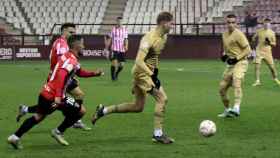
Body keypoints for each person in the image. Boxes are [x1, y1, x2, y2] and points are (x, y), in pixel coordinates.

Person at [7, 35, 104, 149]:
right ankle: (58, 131)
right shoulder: (71, 60)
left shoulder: (69, 57)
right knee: (81, 111)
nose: (84, 46)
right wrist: (58, 96)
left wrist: (94, 73)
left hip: (45, 93)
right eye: (82, 44)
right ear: (76, 45)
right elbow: (61, 74)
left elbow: (80, 72)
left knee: (39, 116)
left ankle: (15, 137)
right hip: (55, 97)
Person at [91, 12, 174, 144]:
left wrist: (154, 73)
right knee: (162, 98)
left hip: (145, 74)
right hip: (142, 73)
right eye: (171, 23)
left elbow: (154, 57)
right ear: (164, 23)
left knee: (138, 107)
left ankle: (103, 111)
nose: (173, 26)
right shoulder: (149, 38)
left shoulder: (164, 37)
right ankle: (158, 134)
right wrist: (151, 76)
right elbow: (139, 62)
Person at [16, 23, 91, 130]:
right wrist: (72, 76)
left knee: (52, 105)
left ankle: (26, 109)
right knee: (61, 102)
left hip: (60, 77)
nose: (73, 34)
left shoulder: (63, 43)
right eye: (70, 32)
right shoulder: (61, 43)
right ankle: (75, 120)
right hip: (58, 78)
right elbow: (63, 63)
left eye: (74, 32)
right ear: (63, 31)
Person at [219, 14, 251, 117]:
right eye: (229, 22)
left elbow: (248, 49)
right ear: (226, 23)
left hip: (241, 62)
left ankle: (236, 108)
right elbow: (226, 48)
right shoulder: (224, 34)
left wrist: (236, 59)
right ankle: (228, 110)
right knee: (222, 88)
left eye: (233, 22)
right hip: (231, 64)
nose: (231, 24)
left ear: (236, 23)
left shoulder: (239, 34)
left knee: (237, 81)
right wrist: (224, 55)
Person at [251, 18, 280, 86]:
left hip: (267, 52)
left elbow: (274, 44)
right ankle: (257, 81)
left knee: (272, 68)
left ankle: (275, 78)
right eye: (265, 22)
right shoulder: (259, 31)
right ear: (263, 23)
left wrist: (269, 42)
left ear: (270, 24)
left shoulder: (272, 33)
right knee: (257, 66)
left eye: (268, 22)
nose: (267, 23)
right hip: (259, 50)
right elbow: (253, 38)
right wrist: (254, 42)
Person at [104, 17, 128, 81]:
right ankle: (113, 78)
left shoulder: (125, 30)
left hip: (122, 50)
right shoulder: (113, 29)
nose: (120, 22)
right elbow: (109, 39)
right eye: (118, 21)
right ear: (117, 21)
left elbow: (126, 39)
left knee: (121, 65)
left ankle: (116, 74)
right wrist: (106, 48)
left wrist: (126, 46)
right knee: (114, 63)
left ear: (122, 22)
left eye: (121, 21)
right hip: (114, 49)